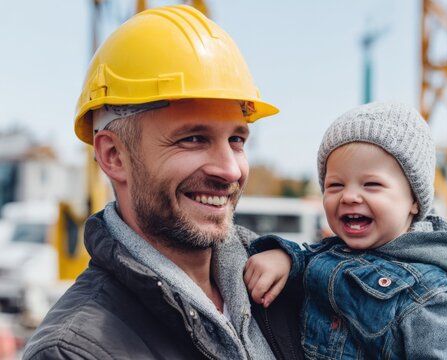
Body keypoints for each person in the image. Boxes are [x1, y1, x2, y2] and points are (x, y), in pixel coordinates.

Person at [23, 5, 302, 360]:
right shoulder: (75, 351)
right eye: (194, 139)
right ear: (113, 156)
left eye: (237, 140)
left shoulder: (284, 279)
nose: (230, 171)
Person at [244, 102, 447, 359]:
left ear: (414, 200)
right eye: (335, 185)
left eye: (372, 184)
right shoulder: (331, 253)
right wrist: (286, 258)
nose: (350, 196)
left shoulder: (434, 295)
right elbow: (308, 259)